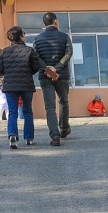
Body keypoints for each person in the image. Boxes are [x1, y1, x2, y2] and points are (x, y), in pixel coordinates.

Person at [31, 12, 73, 146]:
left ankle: (55, 137)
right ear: (55, 21)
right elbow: (69, 53)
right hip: (62, 76)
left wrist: (48, 69)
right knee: (63, 101)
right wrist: (57, 67)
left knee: (50, 107)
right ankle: (64, 129)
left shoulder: (37, 39)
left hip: (45, 76)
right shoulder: (64, 37)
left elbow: (36, 57)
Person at [0, 26, 40, 148]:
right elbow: (36, 67)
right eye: (23, 33)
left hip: (10, 85)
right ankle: (29, 138)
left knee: (13, 112)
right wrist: (27, 72)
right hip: (26, 84)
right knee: (27, 111)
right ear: (20, 36)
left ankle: (12, 135)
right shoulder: (29, 50)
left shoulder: (4, 51)